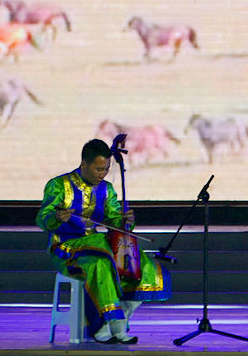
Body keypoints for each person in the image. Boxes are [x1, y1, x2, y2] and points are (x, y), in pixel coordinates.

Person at [36, 139, 171, 344]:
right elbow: (42, 217)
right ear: (84, 164)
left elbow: (114, 220)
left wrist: (124, 221)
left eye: (106, 169)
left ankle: (117, 323)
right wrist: (56, 218)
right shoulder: (59, 185)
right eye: (99, 169)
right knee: (102, 263)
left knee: (141, 265)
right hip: (67, 248)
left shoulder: (107, 189)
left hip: (99, 246)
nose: (103, 173)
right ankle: (99, 326)